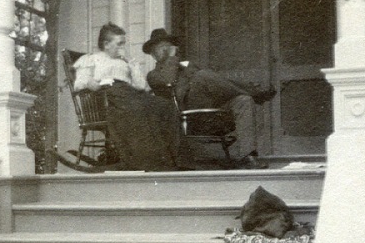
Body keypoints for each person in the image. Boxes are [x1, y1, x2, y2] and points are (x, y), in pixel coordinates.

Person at [145, 28, 275, 169]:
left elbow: (218, 83)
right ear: (153, 54)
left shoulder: (187, 66)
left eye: (167, 46)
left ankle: (248, 156)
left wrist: (182, 65)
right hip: (188, 117)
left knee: (243, 100)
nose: (165, 50)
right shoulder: (153, 75)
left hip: (211, 114)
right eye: (160, 48)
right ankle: (255, 93)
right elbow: (169, 81)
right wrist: (171, 58)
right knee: (203, 75)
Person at [73, 22, 182, 171]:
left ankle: (175, 161)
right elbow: (79, 84)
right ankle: (147, 162)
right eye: (119, 44)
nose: (122, 48)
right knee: (139, 109)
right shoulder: (92, 59)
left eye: (123, 44)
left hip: (130, 94)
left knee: (165, 106)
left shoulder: (123, 62)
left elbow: (141, 86)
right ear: (106, 44)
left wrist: (133, 67)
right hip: (108, 96)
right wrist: (90, 82)